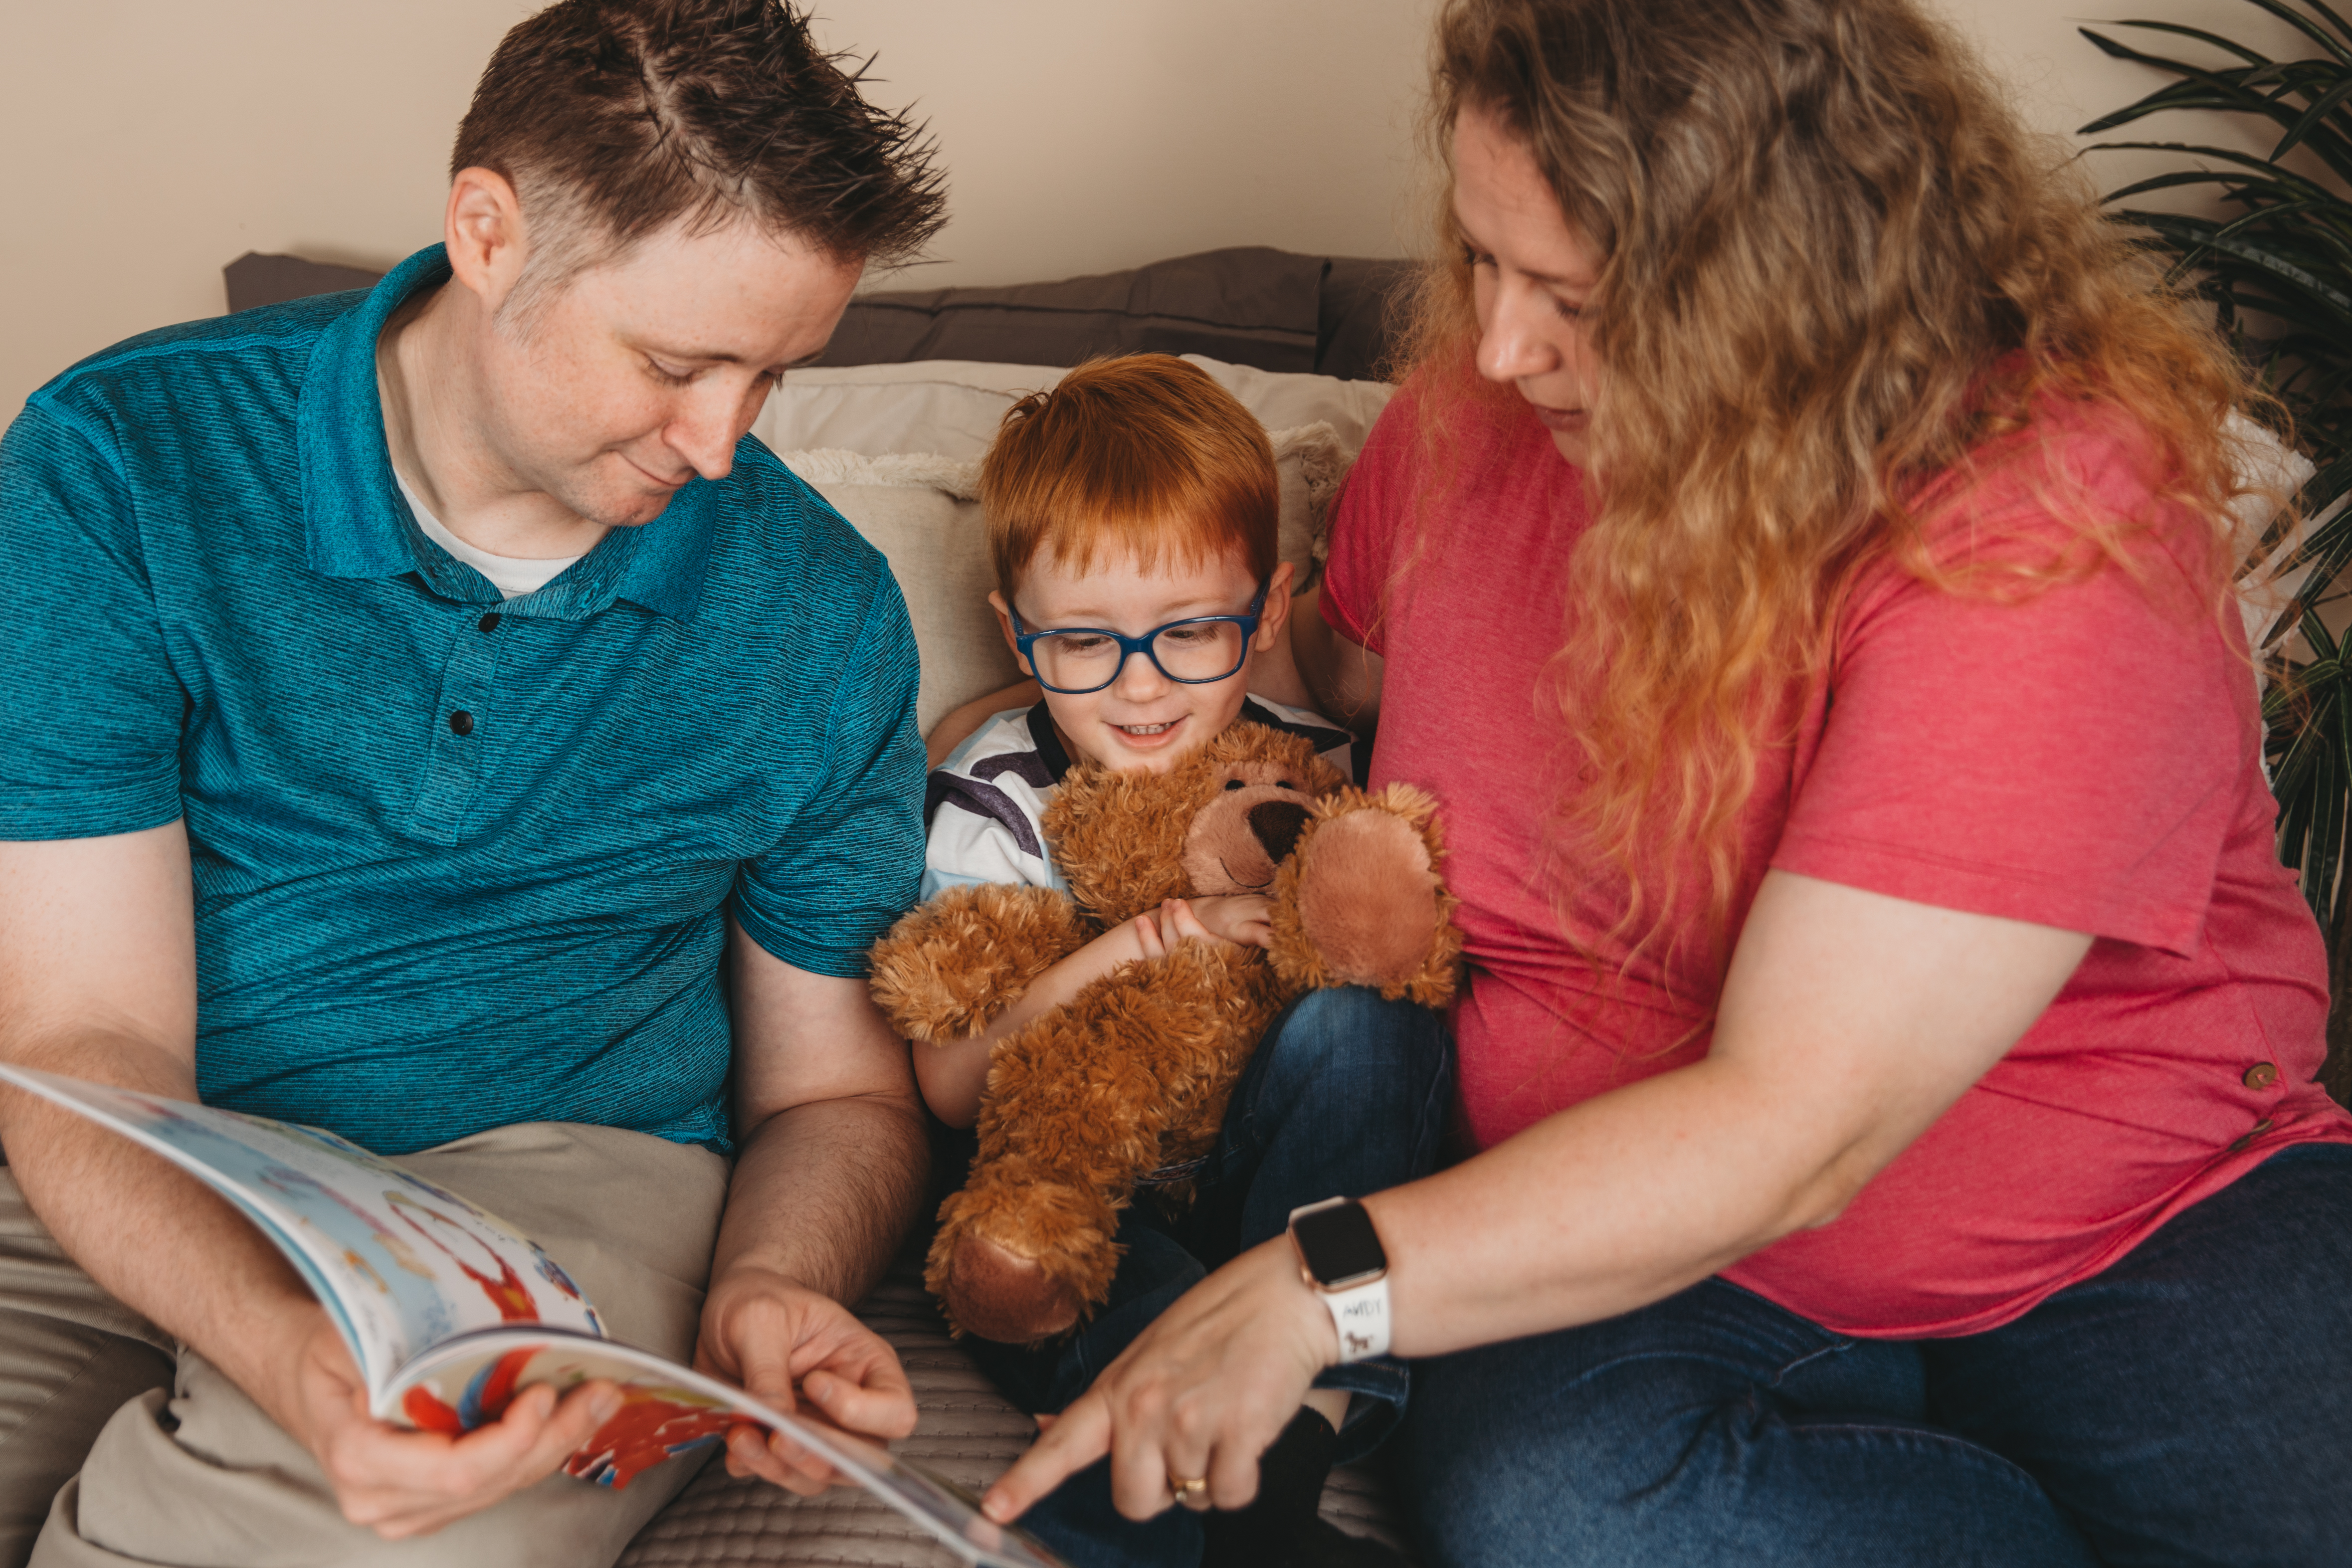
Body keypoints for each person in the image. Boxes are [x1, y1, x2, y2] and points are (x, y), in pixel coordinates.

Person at [973, 0, 2352, 1563]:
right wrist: (1026, 694)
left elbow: (1795, 1126)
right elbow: (1308, 675)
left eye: (1570, 293)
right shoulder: (1462, 429)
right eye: (1481, 261)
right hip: (1638, 1269)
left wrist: (1309, 1283)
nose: (1495, 347)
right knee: (1555, 1513)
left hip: (2135, 1227)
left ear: (1786, 281)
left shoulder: (2044, 506)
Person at [0, 2, 947, 1565]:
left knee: (412, 1526)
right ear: (487, 232)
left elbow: (832, 1091)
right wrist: (272, 1340)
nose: (720, 446)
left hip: (557, 1178)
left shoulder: (817, 610)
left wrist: (776, 1282)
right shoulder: (119, 468)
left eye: (771, 380)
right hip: (147, 1144)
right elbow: (87, 1038)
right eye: (677, 363)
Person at [919, 355, 1448, 1568]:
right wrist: (1155, 940)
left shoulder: (1321, 762)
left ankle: (1290, 1440)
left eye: (1191, 633)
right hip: (1095, 1187)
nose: (1141, 683)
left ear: (1267, 613)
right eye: (1086, 643)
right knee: (1048, 1258)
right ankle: (1225, 1507)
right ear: (1018, 633)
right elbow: (952, 1085)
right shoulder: (998, 789)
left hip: (1283, 1188)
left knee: (1373, 1033)